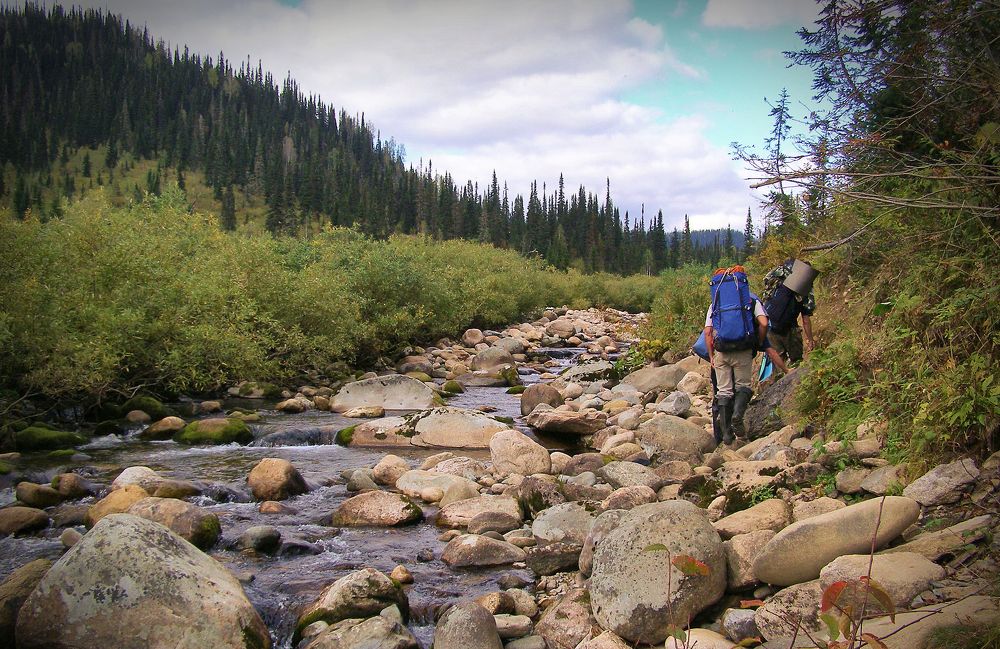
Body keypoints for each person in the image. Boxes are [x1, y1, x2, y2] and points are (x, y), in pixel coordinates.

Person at [704, 270, 769, 445]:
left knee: (723, 391)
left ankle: (726, 435)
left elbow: (708, 332)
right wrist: (758, 342)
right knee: (743, 386)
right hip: (743, 349)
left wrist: (711, 355)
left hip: (722, 351)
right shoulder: (751, 300)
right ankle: (737, 416)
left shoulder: (716, 302)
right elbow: (764, 323)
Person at [762, 259, 816, 365]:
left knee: (779, 365)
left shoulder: (778, 278)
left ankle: (779, 374)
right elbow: (805, 320)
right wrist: (810, 340)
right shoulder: (803, 288)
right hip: (789, 329)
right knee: (796, 362)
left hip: (769, 326)